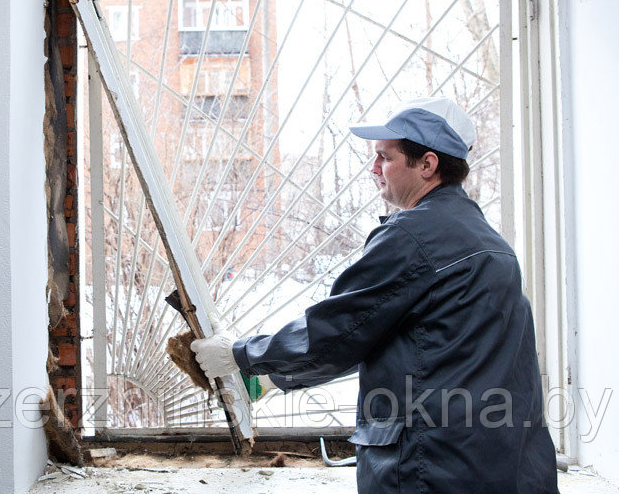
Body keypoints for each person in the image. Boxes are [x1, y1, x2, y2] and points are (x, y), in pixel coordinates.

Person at [192, 97, 559, 493]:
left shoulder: (413, 236)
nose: (373, 170)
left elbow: (338, 330)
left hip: (432, 468)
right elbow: (400, 339)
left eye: (384, 158)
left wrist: (239, 355)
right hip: (505, 468)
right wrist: (275, 379)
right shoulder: (490, 243)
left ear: (427, 164)